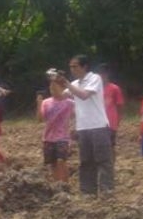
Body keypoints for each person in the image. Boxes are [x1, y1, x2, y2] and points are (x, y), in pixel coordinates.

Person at [55, 55, 114, 197]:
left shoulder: (94, 78)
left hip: (98, 125)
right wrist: (54, 82)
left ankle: (107, 190)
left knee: (103, 159)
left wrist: (67, 84)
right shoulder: (75, 83)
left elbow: (84, 95)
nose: (72, 69)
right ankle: (88, 191)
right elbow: (59, 96)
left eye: (75, 66)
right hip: (83, 127)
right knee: (86, 160)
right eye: (71, 66)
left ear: (84, 66)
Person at [36, 82, 75, 182]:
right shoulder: (46, 102)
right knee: (52, 163)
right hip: (48, 137)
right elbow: (40, 119)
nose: (53, 91)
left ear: (62, 89)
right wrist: (39, 104)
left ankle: (65, 183)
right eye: (51, 88)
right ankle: (57, 184)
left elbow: (76, 114)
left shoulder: (69, 102)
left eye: (55, 88)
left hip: (63, 136)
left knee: (61, 160)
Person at [95, 64, 125, 149]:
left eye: (104, 74)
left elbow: (120, 105)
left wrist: (118, 120)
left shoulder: (114, 88)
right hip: (96, 122)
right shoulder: (93, 89)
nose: (102, 76)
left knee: (110, 145)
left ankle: (111, 162)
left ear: (108, 75)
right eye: (100, 74)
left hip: (110, 122)